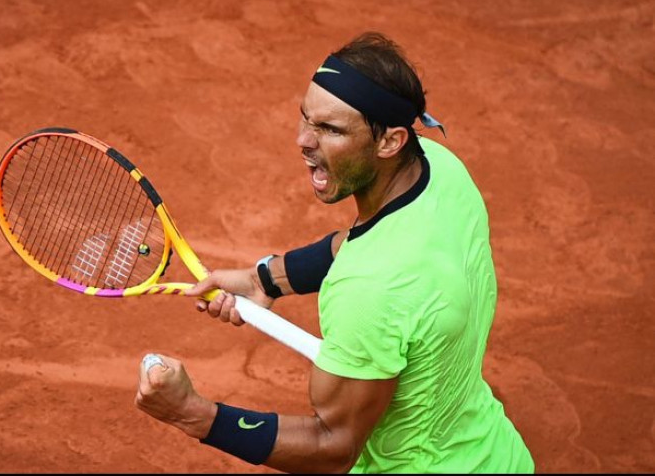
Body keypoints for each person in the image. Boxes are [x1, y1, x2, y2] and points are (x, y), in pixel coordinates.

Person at [134, 31, 534, 473]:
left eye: (330, 129)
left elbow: (333, 446)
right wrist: (264, 279)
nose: (303, 141)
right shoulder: (441, 172)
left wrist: (192, 413)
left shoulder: (369, 291)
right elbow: (363, 240)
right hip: (496, 455)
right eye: (306, 119)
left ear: (390, 141)